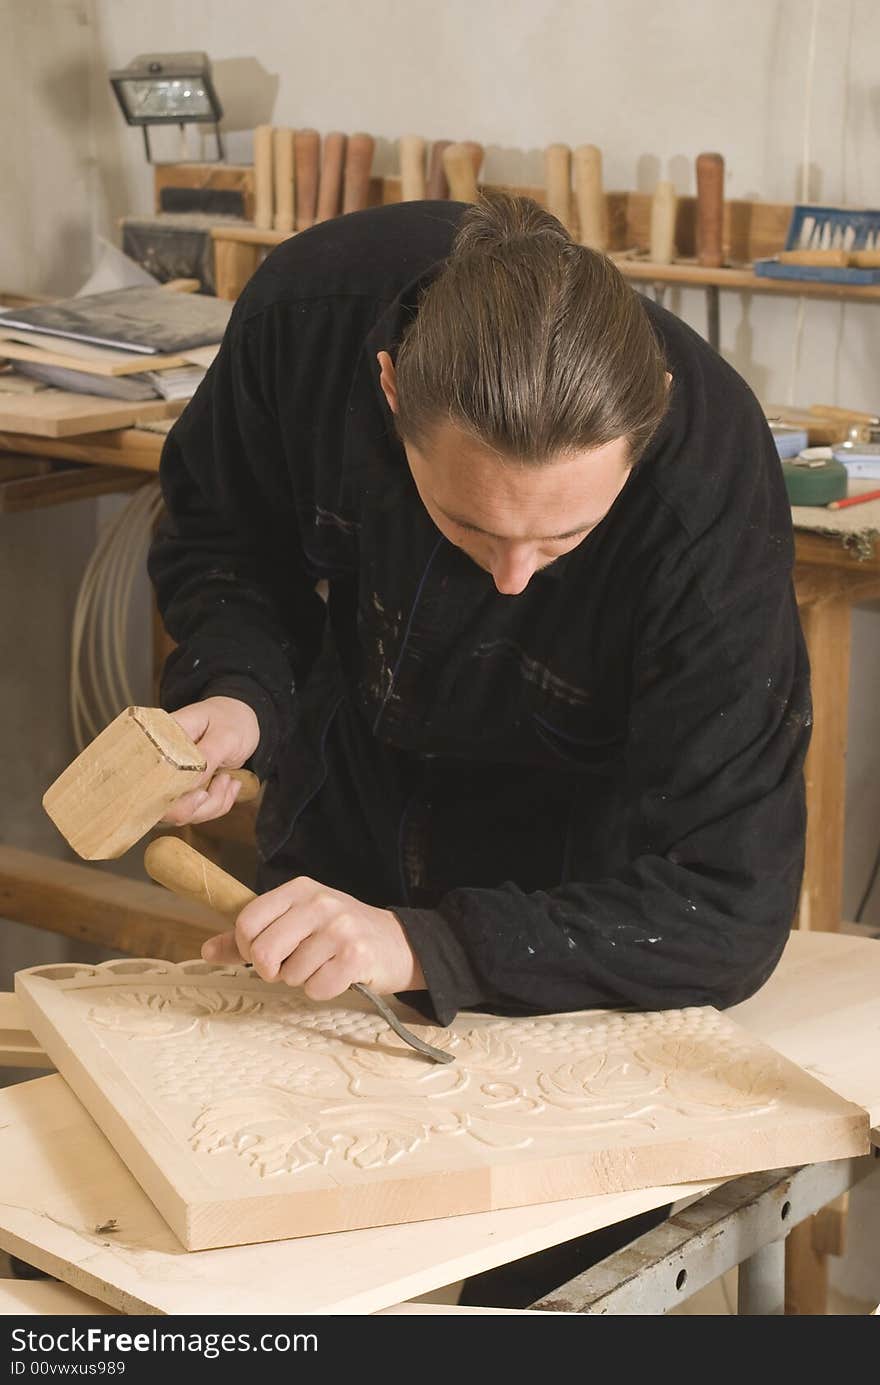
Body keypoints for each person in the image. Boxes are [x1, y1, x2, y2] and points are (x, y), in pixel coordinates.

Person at [148, 191, 810, 1305]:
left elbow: (727, 904)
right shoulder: (310, 321)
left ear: (642, 421)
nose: (513, 574)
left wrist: (424, 944)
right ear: (390, 385)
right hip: (346, 844)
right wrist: (240, 690)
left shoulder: (706, 486)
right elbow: (220, 535)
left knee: (525, 1294)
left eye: (563, 536)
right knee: (294, 1266)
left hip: (563, 921)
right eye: (468, 525)